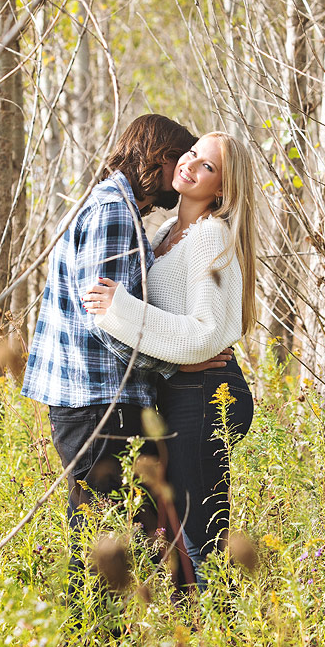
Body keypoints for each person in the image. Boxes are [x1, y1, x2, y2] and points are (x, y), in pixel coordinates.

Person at [21, 114, 228, 647]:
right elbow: (108, 322)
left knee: (116, 539)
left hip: (97, 401)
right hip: (99, 404)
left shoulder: (119, 211)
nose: (180, 173)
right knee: (105, 549)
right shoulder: (114, 212)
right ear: (157, 158)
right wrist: (179, 358)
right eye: (178, 159)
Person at [84, 132, 256, 589]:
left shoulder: (209, 236)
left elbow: (207, 332)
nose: (191, 164)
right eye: (193, 153)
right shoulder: (165, 233)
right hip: (181, 390)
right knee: (174, 529)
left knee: (199, 533)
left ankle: (224, 645)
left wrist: (119, 309)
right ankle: (192, 642)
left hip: (207, 393)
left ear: (220, 189)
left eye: (208, 167)